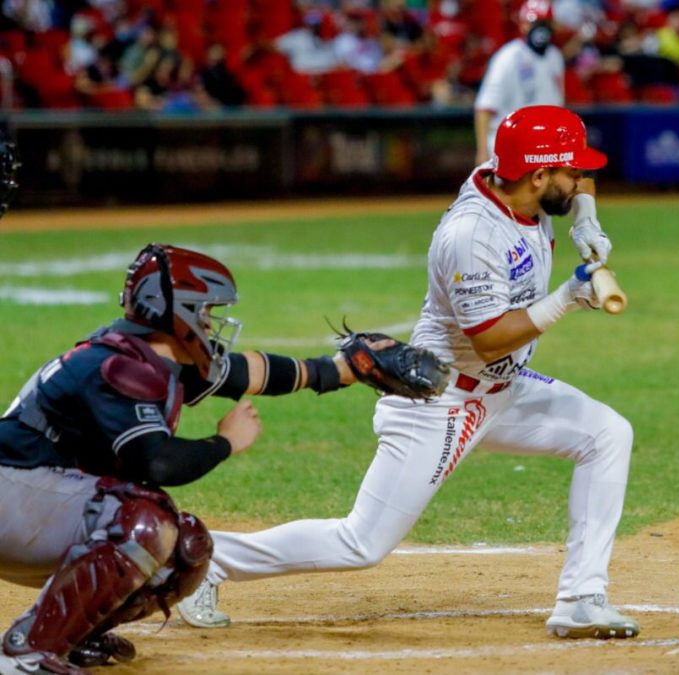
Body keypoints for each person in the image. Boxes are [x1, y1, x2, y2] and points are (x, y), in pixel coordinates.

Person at [179, 105, 640, 641]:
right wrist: (566, 297)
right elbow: (490, 338)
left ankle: (582, 599)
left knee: (608, 433)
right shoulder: (471, 234)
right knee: (361, 544)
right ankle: (208, 558)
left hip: (501, 389)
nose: (580, 178)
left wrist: (586, 219)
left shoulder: (515, 180)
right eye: (568, 172)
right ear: (538, 176)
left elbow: (581, 179)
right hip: (438, 398)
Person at [0, 240, 430, 674]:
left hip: (37, 498)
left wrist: (340, 369)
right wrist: (224, 442)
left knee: (186, 550)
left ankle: (68, 635)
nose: (211, 322)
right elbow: (158, 463)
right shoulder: (120, 367)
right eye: (204, 311)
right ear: (176, 311)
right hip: (13, 493)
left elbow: (252, 372)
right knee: (144, 520)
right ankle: (27, 652)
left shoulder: (154, 354)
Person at [474, 0, 565, 165]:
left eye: (545, 22)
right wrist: (482, 151)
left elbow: (558, 105)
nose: (541, 28)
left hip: (543, 146)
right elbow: (484, 107)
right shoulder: (507, 57)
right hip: (508, 145)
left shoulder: (555, 57)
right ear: (523, 25)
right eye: (535, 23)